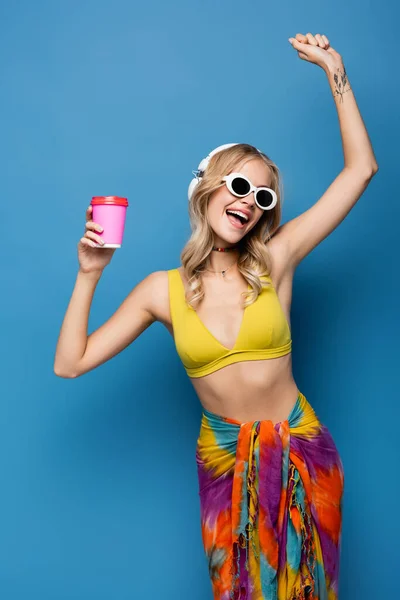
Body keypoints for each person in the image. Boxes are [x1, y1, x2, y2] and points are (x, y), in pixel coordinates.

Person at [54, 32, 378, 600]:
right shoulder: (162, 291)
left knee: (312, 590)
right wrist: (90, 272)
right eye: (238, 185)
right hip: (226, 461)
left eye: (263, 197)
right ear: (207, 189)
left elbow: (361, 170)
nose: (249, 201)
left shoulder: (278, 259)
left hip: (302, 448)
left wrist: (336, 72)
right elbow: (71, 363)